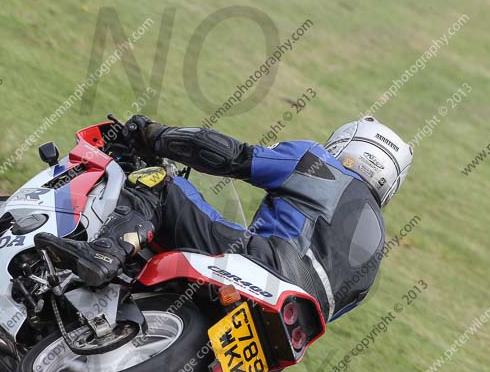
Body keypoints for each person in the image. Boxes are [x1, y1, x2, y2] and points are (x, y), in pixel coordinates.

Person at [35, 114, 412, 323]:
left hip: (259, 268)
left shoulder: (319, 164)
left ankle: (105, 251)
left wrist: (155, 136)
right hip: (287, 326)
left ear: (346, 144)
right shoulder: (377, 252)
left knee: (160, 185)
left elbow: (229, 155)